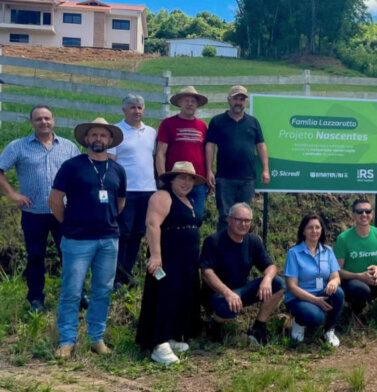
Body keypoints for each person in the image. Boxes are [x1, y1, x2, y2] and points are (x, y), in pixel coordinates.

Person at [48, 118, 126, 359]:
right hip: (77, 239)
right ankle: (67, 340)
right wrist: (70, 223)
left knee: (102, 290)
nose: (99, 139)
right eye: (94, 135)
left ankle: (96, 338)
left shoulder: (117, 170)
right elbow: (55, 200)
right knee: (72, 291)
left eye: (104, 135)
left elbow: (120, 202)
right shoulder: (72, 166)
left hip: (108, 239)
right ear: (86, 139)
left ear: (110, 140)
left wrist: (106, 220)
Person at [0, 106, 80, 312]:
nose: (43, 122)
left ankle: (76, 295)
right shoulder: (18, 147)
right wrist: (12, 194)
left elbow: (78, 176)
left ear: (54, 120)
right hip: (33, 212)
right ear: (31, 123)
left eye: (47, 118)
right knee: (35, 255)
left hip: (63, 212)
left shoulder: (68, 147)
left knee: (70, 256)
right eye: (38, 119)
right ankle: (36, 297)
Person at [135, 161, 204, 365]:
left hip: (187, 261)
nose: (186, 182)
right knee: (164, 297)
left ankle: (172, 336)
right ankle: (158, 344)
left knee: (181, 297)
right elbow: (152, 224)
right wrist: (156, 256)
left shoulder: (188, 200)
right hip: (167, 257)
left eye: (190, 178)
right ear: (171, 179)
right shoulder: (162, 196)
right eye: (181, 177)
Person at [200, 202, 285, 346]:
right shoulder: (214, 241)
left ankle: (259, 326)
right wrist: (228, 293)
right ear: (229, 219)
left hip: (241, 292)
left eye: (247, 221)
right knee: (227, 308)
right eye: (239, 219)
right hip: (218, 295)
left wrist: (267, 279)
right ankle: (214, 326)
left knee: (279, 283)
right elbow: (206, 273)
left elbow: (270, 266)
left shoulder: (253, 241)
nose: (243, 224)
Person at [205, 85, 270, 232]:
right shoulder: (217, 121)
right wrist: (209, 171)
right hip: (224, 178)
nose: (238, 102)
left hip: (247, 179)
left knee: (244, 219)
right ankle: (222, 252)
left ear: (245, 102)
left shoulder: (253, 122)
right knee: (225, 217)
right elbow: (210, 146)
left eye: (242, 99)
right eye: (236, 99)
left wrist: (266, 169)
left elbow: (261, 146)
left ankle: (241, 251)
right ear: (229, 100)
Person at [109, 94, 158, 288]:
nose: (136, 111)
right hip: (126, 191)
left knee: (138, 232)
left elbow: (153, 159)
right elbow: (111, 164)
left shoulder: (151, 132)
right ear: (124, 110)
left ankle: (127, 273)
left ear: (144, 110)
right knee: (123, 232)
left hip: (148, 190)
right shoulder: (117, 132)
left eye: (139, 107)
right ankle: (116, 275)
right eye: (132, 107)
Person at [335, 198, 377, 332]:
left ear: (371, 214)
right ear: (353, 215)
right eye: (359, 211)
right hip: (352, 282)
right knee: (361, 289)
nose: (364, 214)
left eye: (367, 211)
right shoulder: (343, 238)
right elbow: (337, 271)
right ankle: (356, 313)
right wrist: (359, 276)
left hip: (373, 279)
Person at [284, 215, 344, 347]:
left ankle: (329, 330)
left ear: (321, 230)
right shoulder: (294, 253)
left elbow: (336, 276)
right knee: (317, 318)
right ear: (303, 231)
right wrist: (315, 300)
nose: (314, 231)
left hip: (320, 293)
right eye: (310, 228)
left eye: (317, 227)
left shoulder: (328, 251)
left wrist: (333, 282)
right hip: (298, 298)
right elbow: (291, 287)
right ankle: (298, 322)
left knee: (338, 293)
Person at [156, 86, 209, 218]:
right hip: (175, 180)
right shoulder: (167, 124)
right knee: (172, 218)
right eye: (186, 100)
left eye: (193, 101)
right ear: (179, 103)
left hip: (197, 180)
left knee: (197, 217)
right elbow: (160, 153)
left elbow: (207, 153)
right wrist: (162, 176)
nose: (189, 104)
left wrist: (209, 174)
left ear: (197, 104)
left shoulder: (202, 126)